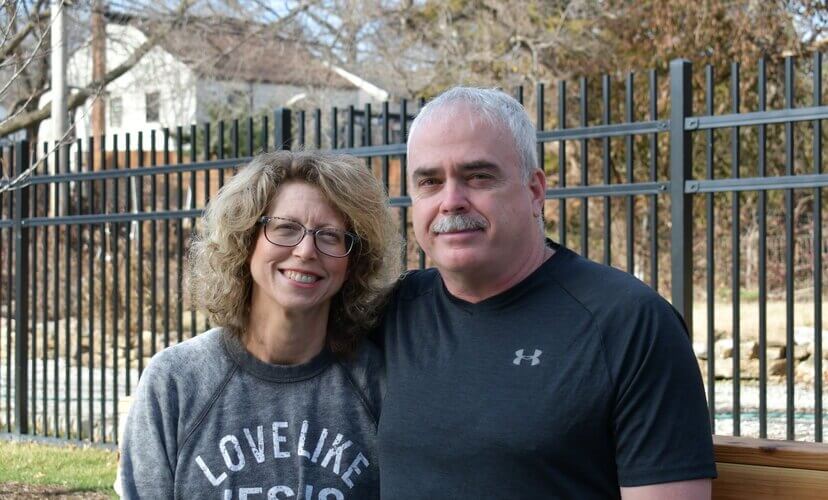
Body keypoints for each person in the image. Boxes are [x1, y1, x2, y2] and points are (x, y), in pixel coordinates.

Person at [375, 87, 717, 499]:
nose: (451, 201)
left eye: (479, 176)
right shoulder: (388, 316)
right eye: (430, 182)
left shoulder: (629, 324)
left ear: (535, 190)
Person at [120, 151, 400, 499]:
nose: (306, 250)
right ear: (245, 240)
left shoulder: (378, 382)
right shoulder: (176, 382)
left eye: (329, 235)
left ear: (353, 261)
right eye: (285, 228)